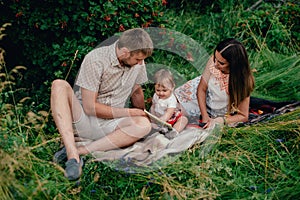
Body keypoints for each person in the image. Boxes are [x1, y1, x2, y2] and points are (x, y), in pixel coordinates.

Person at [50, 28, 153, 180]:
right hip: (84, 119)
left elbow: (136, 92)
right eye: (138, 59)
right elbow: (90, 108)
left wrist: (144, 114)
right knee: (58, 84)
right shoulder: (96, 59)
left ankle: (81, 151)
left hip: (110, 125)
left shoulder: (137, 63)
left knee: (144, 125)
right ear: (125, 52)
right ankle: (72, 156)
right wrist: (131, 113)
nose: (141, 63)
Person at [175, 38, 255, 128]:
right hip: (197, 97)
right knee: (171, 109)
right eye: (215, 59)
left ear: (234, 65)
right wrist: (204, 116)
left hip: (216, 109)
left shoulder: (243, 82)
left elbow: (243, 116)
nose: (215, 64)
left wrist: (222, 120)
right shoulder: (214, 61)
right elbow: (201, 89)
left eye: (221, 63)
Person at [150, 69, 188, 137]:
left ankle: (174, 131)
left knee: (183, 119)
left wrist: (162, 120)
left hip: (170, 118)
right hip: (158, 118)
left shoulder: (171, 99)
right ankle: (160, 129)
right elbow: (153, 106)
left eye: (164, 90)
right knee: (149, 123)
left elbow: (169, 113)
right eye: (158, 90)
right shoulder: (156, 96)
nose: (161, 93)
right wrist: (152, 118)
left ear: (172, 87)